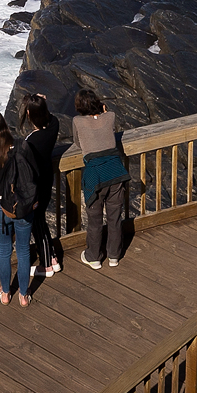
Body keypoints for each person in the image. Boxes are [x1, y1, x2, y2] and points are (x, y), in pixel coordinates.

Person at [71, 88, 130, 268]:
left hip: (95, 175)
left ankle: (94, 257)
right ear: (98, 103)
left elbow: (77, 142)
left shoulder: (77, 121)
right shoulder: (109, 116)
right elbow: (108, 113)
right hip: (115, 172)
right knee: (114, 217)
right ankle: (114, 256)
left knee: (95, 220)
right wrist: (102, 110)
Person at [0, 124, 39, 306]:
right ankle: (24, 295)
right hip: (24, 205)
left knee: (5, 250)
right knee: (23, 250)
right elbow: (35, 173)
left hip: (3, 206)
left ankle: (6, 293)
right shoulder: (22, 147)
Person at [21, 94, 64, 277]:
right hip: (47, 179)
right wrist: (41, 103)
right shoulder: (53, 126)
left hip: (35, 185)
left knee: (37, 222)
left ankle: (47, 264)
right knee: (40, 220)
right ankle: (51, 258)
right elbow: (51, 117)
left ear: (29, 114)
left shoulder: (30, 142)